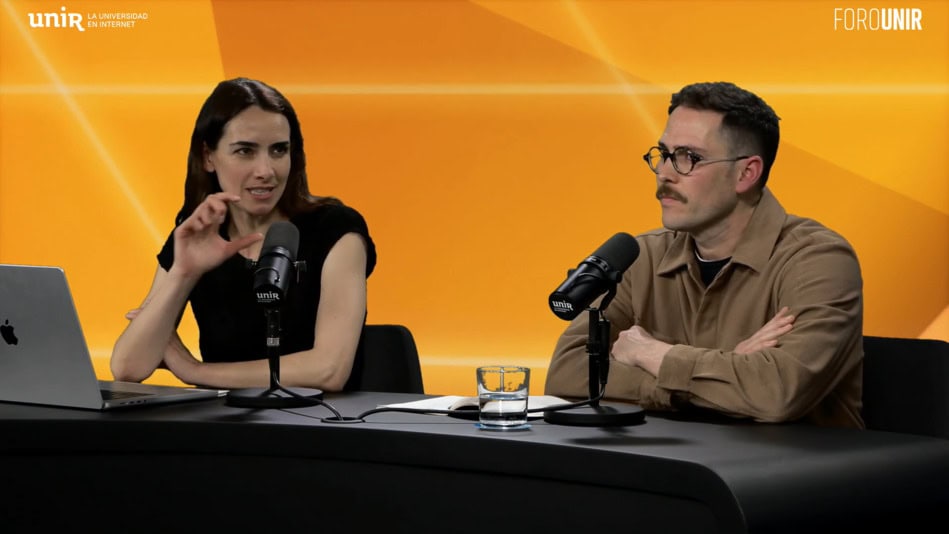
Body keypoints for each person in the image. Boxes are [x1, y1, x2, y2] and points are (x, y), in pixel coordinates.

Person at [545, 81, 864, 427]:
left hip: (792, 460)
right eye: (664, 154)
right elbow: (567, 375)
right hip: (673, 457)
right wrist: (712, 373)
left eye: (689, 157)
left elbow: (777, 391)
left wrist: (653, 354)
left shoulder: (817, 260)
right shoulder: (642, 257)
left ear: (746, 173)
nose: (665, 173)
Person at [111, 77, 376, 392]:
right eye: (245, 151)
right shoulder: (198, 234)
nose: (266, 170)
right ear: (208, 157)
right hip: (225, 420)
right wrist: (183, 273)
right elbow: (128, 367)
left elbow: (328, 370)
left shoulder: (336, 229)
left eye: (278, 150)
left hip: (319, 419)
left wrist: (195, 371)